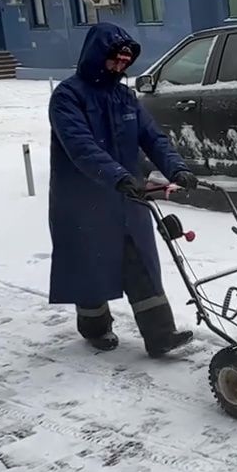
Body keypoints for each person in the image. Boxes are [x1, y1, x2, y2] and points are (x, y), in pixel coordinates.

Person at [47, 23, 198, 356]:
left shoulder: (124, 97)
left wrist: (177, 168)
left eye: (124, 63)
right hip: (83, 199)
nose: (119, 68)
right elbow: (81, 146)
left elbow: (153, 138)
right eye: (114, 61)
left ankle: (160, 335)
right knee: (90, 265)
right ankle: (94, 327)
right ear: (97, 56)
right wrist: (117, 176)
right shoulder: (67, 96)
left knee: (139, 262)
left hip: (127, 196)